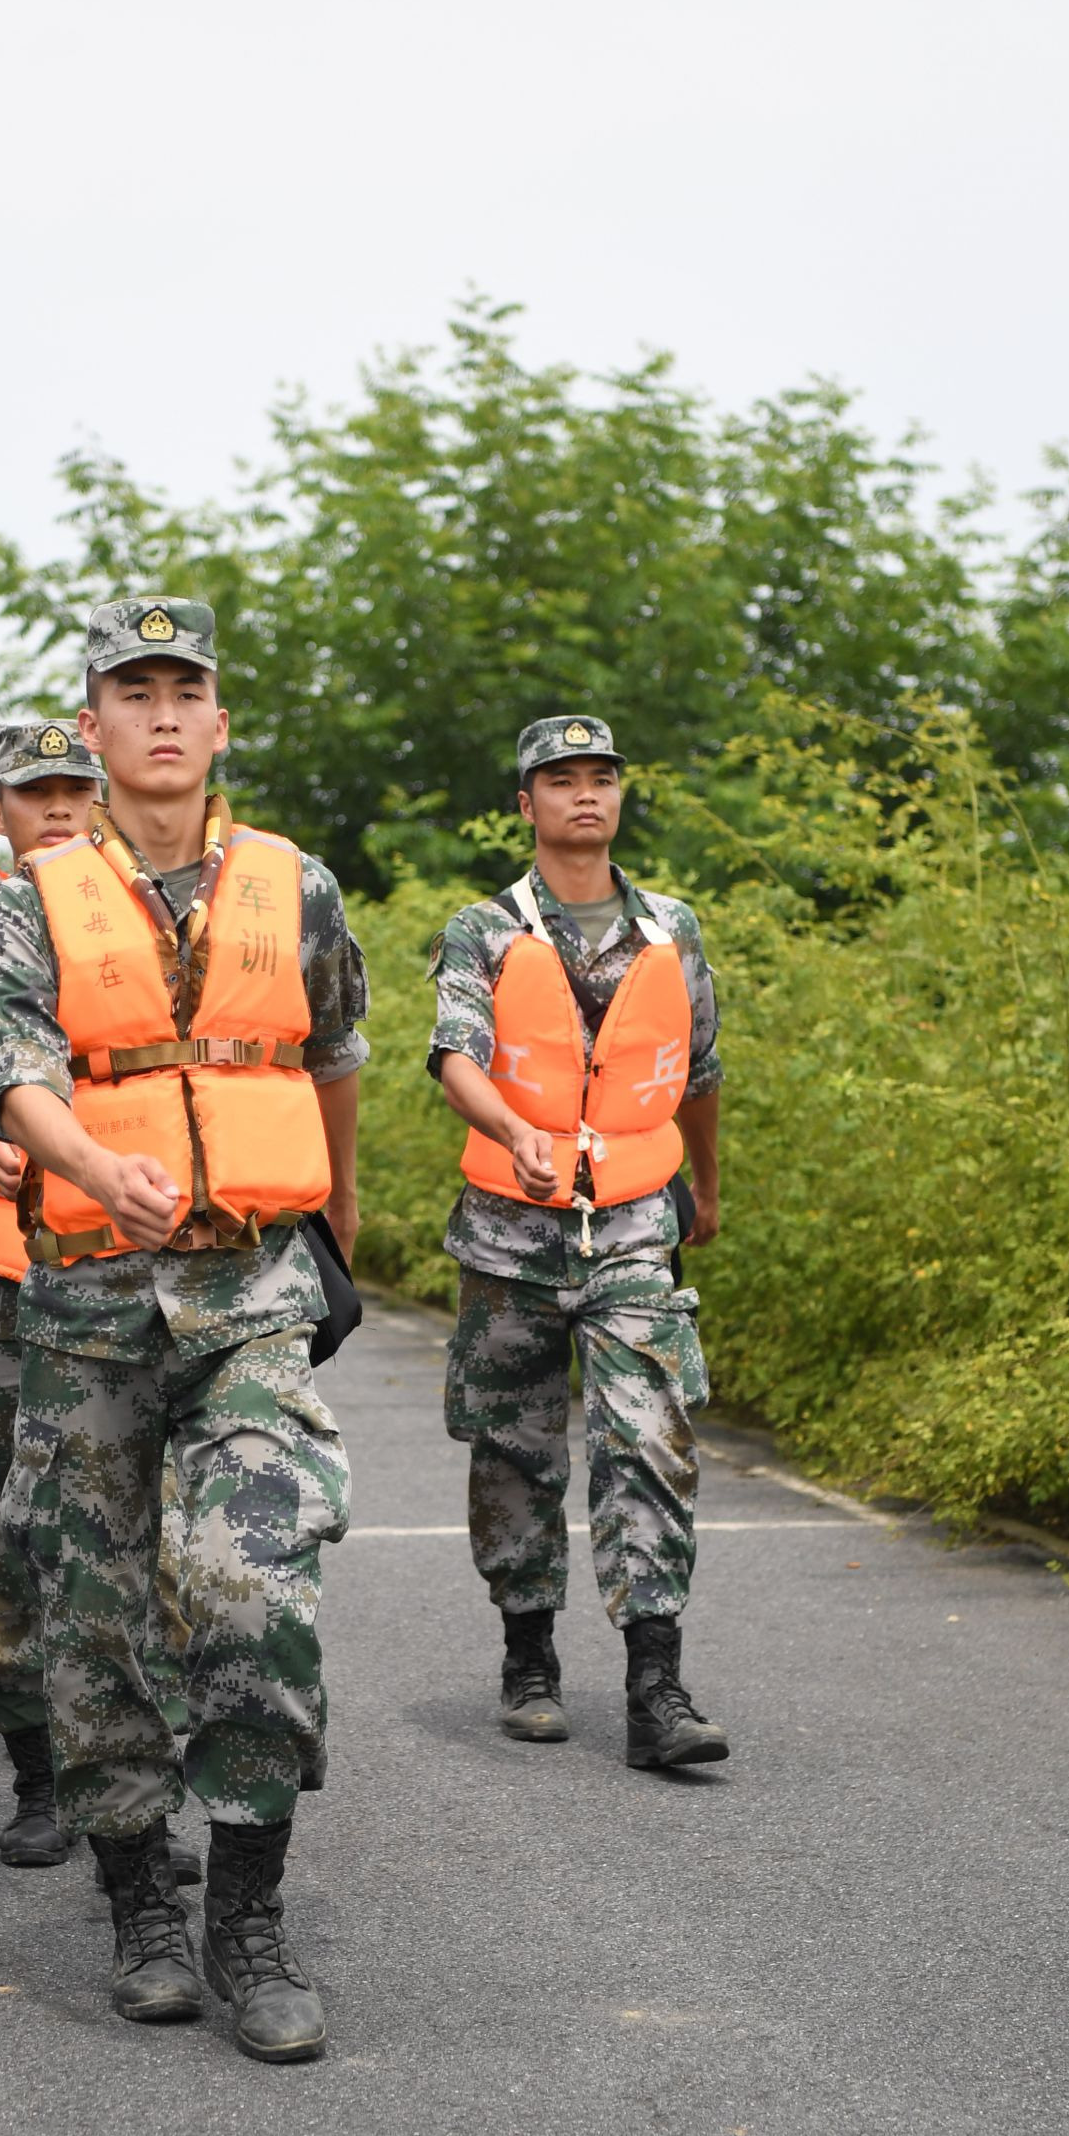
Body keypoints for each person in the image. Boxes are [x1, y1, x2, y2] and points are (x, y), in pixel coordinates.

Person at [0, 599, 366, 2066]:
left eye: (181, 690)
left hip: (250, 1295)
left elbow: (332, 1062)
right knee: (94, 1618)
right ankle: (141, 1892)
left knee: (255, 1587)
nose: (157, 713)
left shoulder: (297, 888)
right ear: (91, 727)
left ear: (217, 724)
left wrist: (336, 1235)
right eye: (129, 690)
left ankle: (249, 1913)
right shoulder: (33, 902)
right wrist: (91, 1170)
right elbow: (15, 1076)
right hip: (86, 1301)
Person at [0, 718, 199, 1879]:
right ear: (3, 813)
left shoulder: (157, 932)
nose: (62, 810)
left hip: (130, 1285)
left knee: (142, 1544)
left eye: (78, 789)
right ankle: (35, 1771)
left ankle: (144, 1792)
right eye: (36, 795)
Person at [427, 713, 729, 1770]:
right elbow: (453, 1052)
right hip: (511, 1236)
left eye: (602, 777)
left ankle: (657, 1687)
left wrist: (707, 1186)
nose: (585, 795)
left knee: (648, 1439)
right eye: (562, 781)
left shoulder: (671, 929)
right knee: (515, 1451)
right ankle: (529, 1658)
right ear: (527, 804)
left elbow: (696, 1071)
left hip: (639, 1225)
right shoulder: (482, 928)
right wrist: (513, 1131)